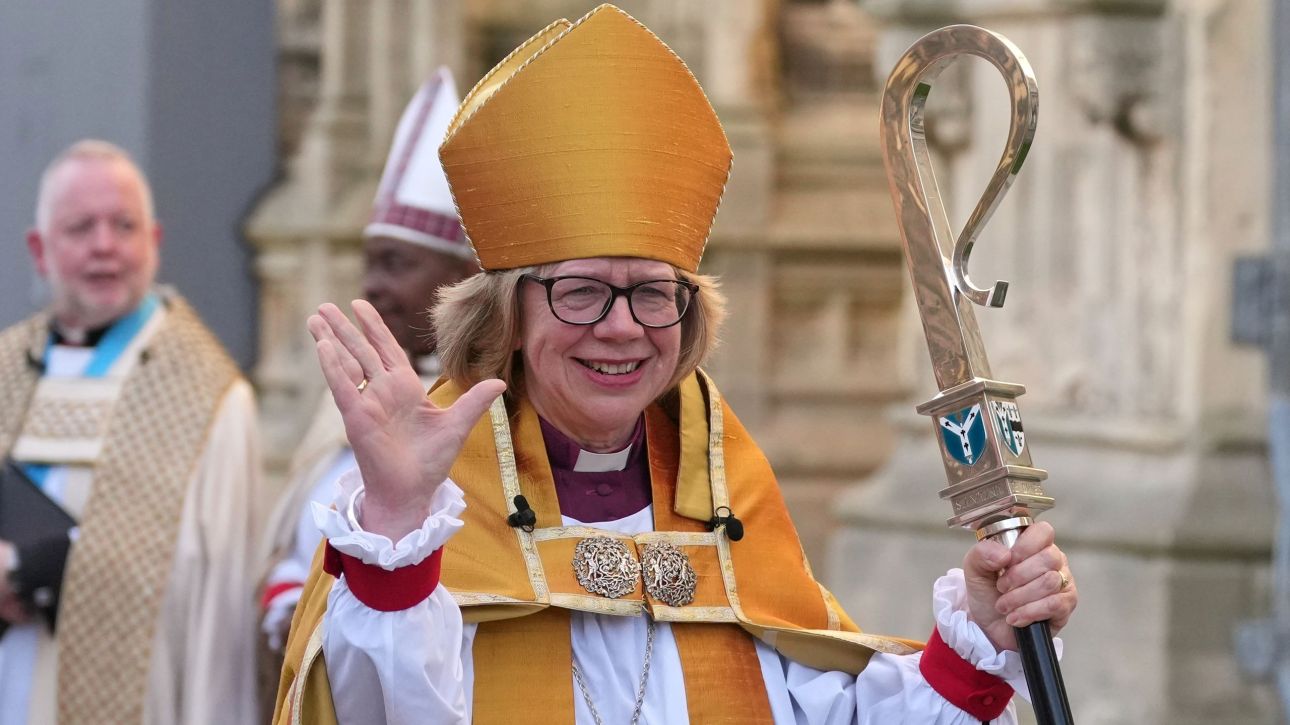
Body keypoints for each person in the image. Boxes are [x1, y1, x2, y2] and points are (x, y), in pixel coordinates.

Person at [275, 6, 1079, 724]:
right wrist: (399, 530)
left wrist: (979, 637)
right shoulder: (418, 516)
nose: (623, 328)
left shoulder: (728, 506)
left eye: (655, 294)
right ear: (508, 315)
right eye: (582, 291)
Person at [0, 140, 262, 724]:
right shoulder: (5, 369)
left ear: (155, 242)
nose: (104, 246)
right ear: (39, 250)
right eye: (80, 227)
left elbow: (218, 616)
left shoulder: (211, 398)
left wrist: (45, 571)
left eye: (124, 225)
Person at [260, 67, 479, 652]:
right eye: (370, 264)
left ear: (462, 279)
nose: (374, 285)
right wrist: (288, 609)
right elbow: (293, 548)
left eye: (397, 264)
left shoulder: (489, 406)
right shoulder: (349, 398)